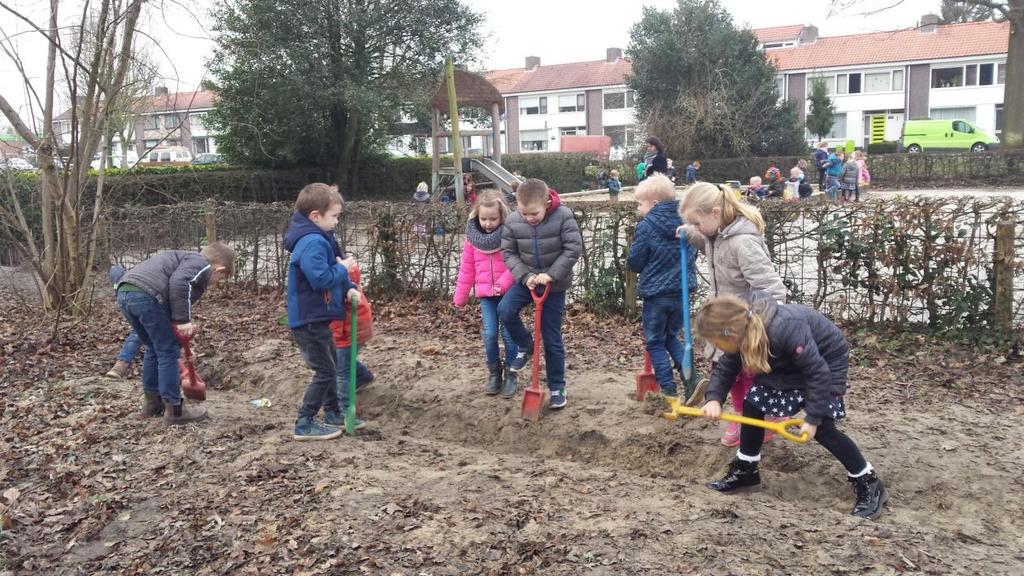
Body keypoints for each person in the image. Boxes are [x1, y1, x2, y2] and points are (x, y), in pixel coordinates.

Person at [696, 292, 887, 520]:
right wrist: (714, 398)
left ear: (730, 332)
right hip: (787, 362)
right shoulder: (742, 335)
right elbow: (726, 368)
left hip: (825, 360)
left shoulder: (784, 328)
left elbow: (817, 373)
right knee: (753, 404)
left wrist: (813, 418)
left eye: (715, 341)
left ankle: (869, 482)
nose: (714, 346)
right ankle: (746, 471)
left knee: (824, 428)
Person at [677, 182, 787, 446]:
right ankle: (741, 418)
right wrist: (689, 232)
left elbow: (771, 288)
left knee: (750, 375)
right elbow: (706, 240)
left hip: (747, 325)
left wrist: (759, 324)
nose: (697, 229)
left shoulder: (742, 242)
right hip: (725, 323)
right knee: (731, 375)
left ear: (715, 212)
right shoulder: (716, 234)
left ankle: (763, 420)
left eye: (697, 222)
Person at [114, 242, 234, 423]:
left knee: (153, 348)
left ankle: (152, 403)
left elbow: (167, 306)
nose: (215, 283)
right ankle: (175, 410)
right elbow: (179, 283)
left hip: (126, 293)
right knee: (167, 351)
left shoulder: (181, 259)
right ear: (219, 269)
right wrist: (183, 321)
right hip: (147, 295)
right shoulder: (200, 264)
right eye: (221, 278)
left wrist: (181, 341)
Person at [284, 183, 360, 441]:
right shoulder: (312, 242)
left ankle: (333, 413)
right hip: (307, 318)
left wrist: (348, 286)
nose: (337, 222)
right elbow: (321, 278)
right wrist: (345, 271)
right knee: (325, 370)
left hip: (318, 315)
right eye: (335, 216)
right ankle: (304, 423)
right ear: (315, 216)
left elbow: (333, 266)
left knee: (332, 364)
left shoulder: (322, 237)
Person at [498, 178, 582, 410]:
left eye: (533, 213)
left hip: (553, 286)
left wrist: (551, 275)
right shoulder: (514, 220)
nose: (528, 218)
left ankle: (557, 386)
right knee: (505, 310)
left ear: (547, 203)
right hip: (528, 282)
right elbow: (509, 252)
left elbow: (573, 248)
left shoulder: (563, 216)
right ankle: (526, 345)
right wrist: (525, 276)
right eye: (523, 213)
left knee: (552, 337)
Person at [627, 174, 704, 404]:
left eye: (640, 203)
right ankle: (692, 379)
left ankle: (669, 390)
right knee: (671, 336)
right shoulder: (687, 223)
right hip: (681, 293)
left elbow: (635, 261)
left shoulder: (647, 226)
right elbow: (695, 250)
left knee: (655, 342)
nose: (639, 208)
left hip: (656, 294)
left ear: (654, 204)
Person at [453, 190, 519, 398]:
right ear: (476, 216)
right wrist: (460, 296)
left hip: (507, 294)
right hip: (486, 296)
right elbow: (467, 269)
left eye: (493, 219)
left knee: (509, 335)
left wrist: (502, 284)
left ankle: (511, 373)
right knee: (490, 334)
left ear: (501, 217)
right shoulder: (472, 240)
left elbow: (515, 263)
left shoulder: (509, 235)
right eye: (484, 219)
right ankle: (494, 373)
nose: (488, 223)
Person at [330, 250, 375, 430]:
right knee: (346, 361)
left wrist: (336, 337)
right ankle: (363, 376)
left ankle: (344, 411)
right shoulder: (348, 278)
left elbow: (336, 318)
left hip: (349, 331)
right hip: (360, 326)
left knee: (342, 372)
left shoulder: (338, 284)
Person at [106, 264, 143, 379]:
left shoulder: (119, 280)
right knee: (142, 333)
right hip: (144, 295)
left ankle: (120, 366)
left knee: (139, 332)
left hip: (124, 297)